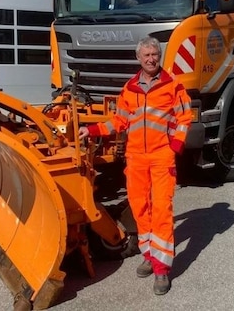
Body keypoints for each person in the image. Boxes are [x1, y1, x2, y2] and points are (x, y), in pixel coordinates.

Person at [78, 36, 192, 295]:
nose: (151, 59)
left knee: (162, 210)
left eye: (155, 54)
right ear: (138, 58)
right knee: (140, 209)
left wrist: (175, 146)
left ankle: (162, 270)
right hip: (136, 159)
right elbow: (119, 121)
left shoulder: (173, 85)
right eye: (146, 55)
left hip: (162, 156)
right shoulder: (129, 88)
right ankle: (149, 255)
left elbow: (185, 117)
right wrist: (92, 129)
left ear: (159, 56)